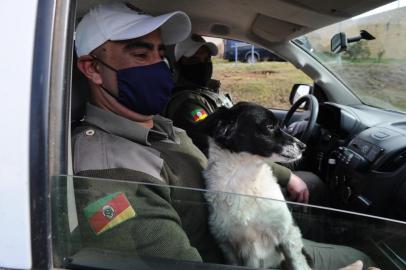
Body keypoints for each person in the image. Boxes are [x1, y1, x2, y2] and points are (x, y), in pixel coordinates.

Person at [72, 2, 376, 269]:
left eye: (160, 52)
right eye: (141, 53)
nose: (161, 65)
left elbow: (223, 158)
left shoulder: (160, 127)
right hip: (235, 256)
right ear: (93, 69)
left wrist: (283, 176)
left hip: (249, 231)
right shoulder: (110, 168)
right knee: (363, 259)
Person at [164, 34, 327, 206]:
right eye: (194, 60)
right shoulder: (188, 104)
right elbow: (219, 150)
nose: (203, 64)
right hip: (224, 187)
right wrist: (286, 176)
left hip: (235, 175)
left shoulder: (205, 93)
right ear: (179, 64)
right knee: (313, 183)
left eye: (206, 59)